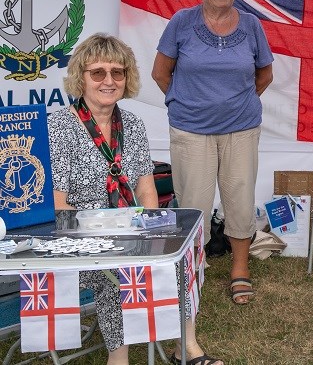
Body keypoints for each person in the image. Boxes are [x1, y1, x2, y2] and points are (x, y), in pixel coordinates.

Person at [48, 34, 222, 365]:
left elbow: (145, 190)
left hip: (131, 229)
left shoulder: (133, 124)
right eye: (98, 72)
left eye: (118, 72)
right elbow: (57, 204)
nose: (109, 81)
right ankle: (119, 358)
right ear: (80, 77)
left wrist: (151, 234)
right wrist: (110, 233)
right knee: (118, 272)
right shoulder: (58, 126)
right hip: (78, 237)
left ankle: (185, 348)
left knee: (180, 257)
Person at [152, 0, 274, 306]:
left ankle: (239, 269)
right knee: (194, 204)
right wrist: (184, 103)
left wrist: (238, 103)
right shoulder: (181, 22)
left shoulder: (251, 25)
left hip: (241, 129)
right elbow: (161, 73)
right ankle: (192, 271)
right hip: (191, 130)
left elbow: (264, 75)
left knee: (239, 199)